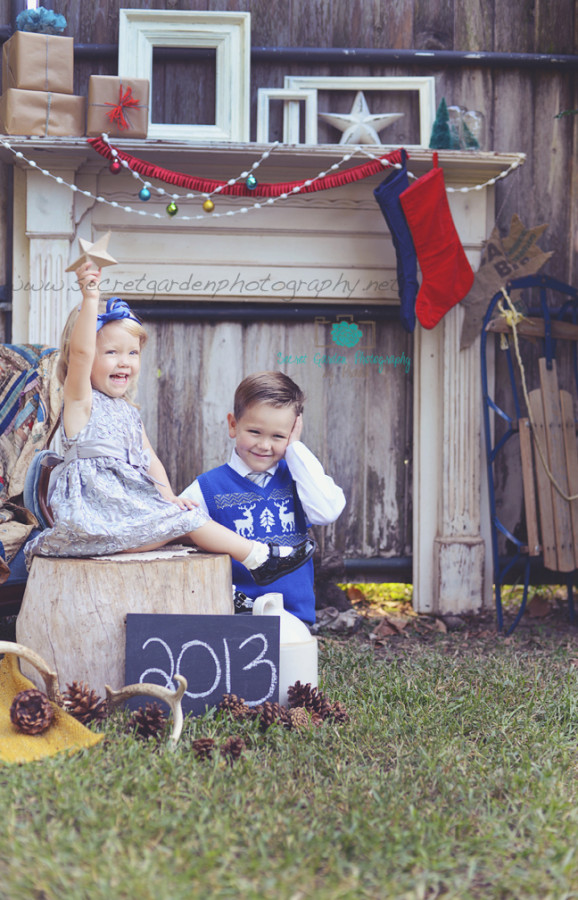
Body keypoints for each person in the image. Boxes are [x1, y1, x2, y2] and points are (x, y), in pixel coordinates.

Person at [24, 262, 315, 587]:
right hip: (94, 520)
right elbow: (79, 353)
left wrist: (168, 497)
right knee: (189, 524)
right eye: (110, 352)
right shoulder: (81, 402)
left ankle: (247, 576)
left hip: (127, 516)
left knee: (188, 521)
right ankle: (259, 557)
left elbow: (150, 459)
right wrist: (90, 296)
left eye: (133, 352)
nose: (125, 361)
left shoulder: (128, 412)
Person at [181, 371, 346, 624]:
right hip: (235, 617)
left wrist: (295, 450)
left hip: (294, 618)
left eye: (278, 436)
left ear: (292, 433)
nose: (265, 445)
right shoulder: (207, 487)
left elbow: (327, 512)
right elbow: (175, 524)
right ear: (233, 425)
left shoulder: (298, 479)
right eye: (255, 432)